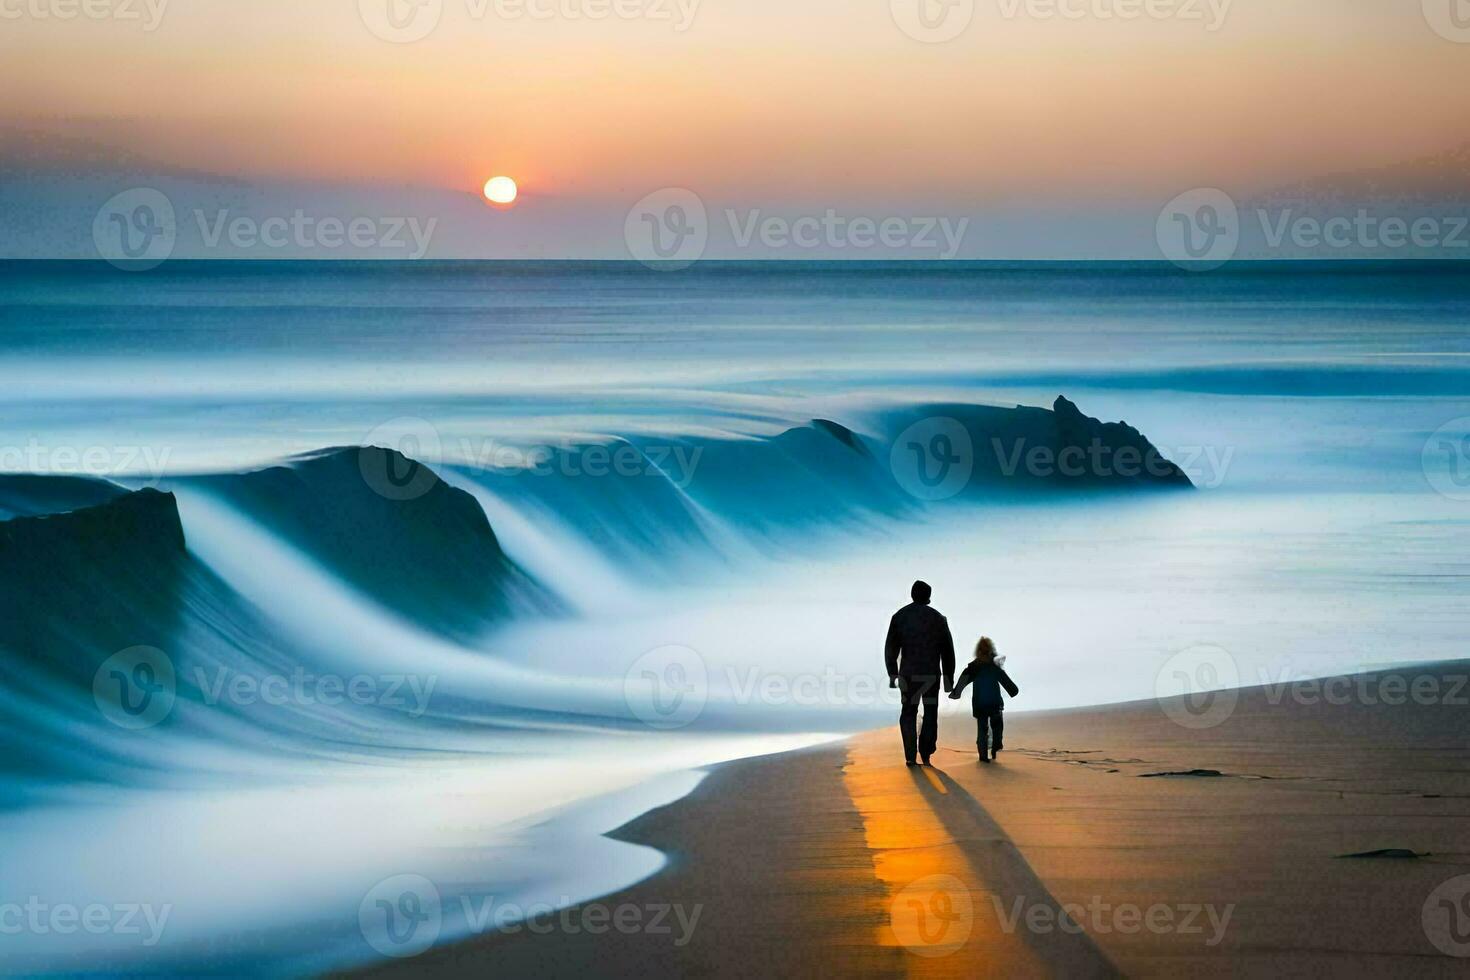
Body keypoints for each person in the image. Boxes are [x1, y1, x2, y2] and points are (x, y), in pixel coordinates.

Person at [884, 580, 955, 766]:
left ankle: (910, 755)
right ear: (928, 597)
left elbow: (890, 649)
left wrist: (893, 674)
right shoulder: (938, 619)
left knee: (908, 712)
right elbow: (948, 651)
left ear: (912, 594)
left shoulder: (899, 617)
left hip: (908, 675)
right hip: (931, 675)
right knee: (930, 712)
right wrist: (949, 679)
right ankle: (926, 752)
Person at [949, 636, 1019, 762]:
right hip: (994, 702)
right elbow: (1006, 682)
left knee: (982, 728)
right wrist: (1013, 691)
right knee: (997, 726)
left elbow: (962, 681)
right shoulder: (994, 666)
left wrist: (956, 693)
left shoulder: (974, 667)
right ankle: (995, 746)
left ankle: (983, 755)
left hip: (979, 703)